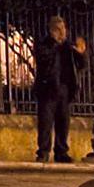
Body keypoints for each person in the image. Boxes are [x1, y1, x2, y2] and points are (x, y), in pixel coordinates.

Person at [31, 17, 81, 165]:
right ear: (52, 30)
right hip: (48, 88)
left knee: (63, 122)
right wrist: (55, 45)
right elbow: (43, 59)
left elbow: (80, 64)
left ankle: (61, 151)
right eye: (59, 29)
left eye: (63, 29)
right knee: (45, 122)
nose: (62, 32)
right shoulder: (44, 44)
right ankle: (43, 151)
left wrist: (81, 53)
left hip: (65, 88)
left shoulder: (68, 47)